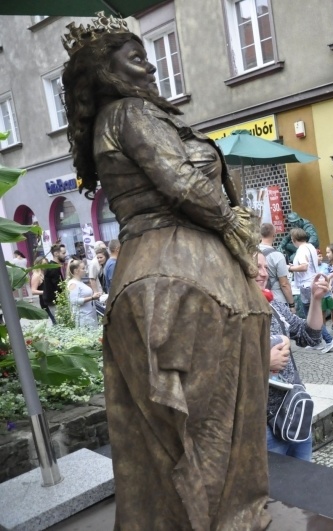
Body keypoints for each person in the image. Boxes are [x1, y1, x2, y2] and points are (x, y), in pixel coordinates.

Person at [62, 17, 272, 528]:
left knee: (190, 427)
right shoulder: (130, 112)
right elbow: (179, 181)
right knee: (201, 425)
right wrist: (234, 227)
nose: (151, 63)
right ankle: (219, 518)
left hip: (172, 271)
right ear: (106, 72)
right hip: (176, 276)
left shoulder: (123, 118)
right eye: (135, 56)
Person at [255, 252, 325, 462]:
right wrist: (262, 363)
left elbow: (309, 335)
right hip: (262, 421)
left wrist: (316, 299)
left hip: (293, 411)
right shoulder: (228, 313)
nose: (263, 274)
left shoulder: (271, 303)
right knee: (277, 488)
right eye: (256, 267)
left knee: (306, 482)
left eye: (265, 268)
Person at [288, 228, 333, 353]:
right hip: (313, 282)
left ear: (293, 240)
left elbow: (304, 266)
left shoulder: (302, 250)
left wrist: (290, 268)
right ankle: (316, 341)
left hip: (306, 285)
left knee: (311, 314)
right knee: (310, 312)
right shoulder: (310, 247)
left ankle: (328, 340)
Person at [260, 222, 295, 312]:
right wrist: (292, 304)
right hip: (277, 299)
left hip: (259, 298)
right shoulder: (277, 256)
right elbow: (284, 284)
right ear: (274, 235)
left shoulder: (253, 252)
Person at [66, 259, 101, 329]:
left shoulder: (79, 282)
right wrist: (92, 298)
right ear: (76, 271)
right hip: (83, 318)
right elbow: (74, 301)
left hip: (89, 315)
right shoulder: (73, 284)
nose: (85, 270)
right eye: (83, 268)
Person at [42, 243, 66, 321]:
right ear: (56, 254)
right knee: (61, 322)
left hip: (54, 301)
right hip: (55, 302)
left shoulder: (53, 266)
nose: (65, 255)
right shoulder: (53, 268)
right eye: (63, 253)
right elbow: (59, 286)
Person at [30, 256, 56, 324]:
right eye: (43, 264)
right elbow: (33, 291)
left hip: (51, 299)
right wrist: (46, 292)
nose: (46, 266)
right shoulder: (36, 275)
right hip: (45, 301)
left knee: (56, 319)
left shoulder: (45, 273)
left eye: (46, 264)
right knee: (55, 320)